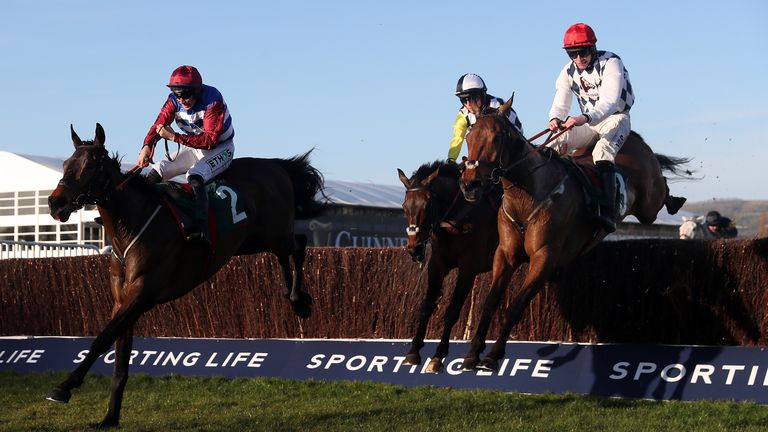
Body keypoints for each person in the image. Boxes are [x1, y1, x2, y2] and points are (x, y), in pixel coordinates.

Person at [545, 23, 634, 233]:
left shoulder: (612, 62)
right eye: (572, 54)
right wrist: (555, 118)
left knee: (601, 153)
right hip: (588, 122)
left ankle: (608, 211)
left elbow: (611, 101)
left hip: (615, 118)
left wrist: (584, 117)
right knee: (553, 144)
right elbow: (561, 102)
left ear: (592, 48)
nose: (578, 58)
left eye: (582, 52)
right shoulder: (567, 72)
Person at [137, 65, 235, 245]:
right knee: (159, 169)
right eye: (177, 94)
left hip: (221, 148)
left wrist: (173, 137)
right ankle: (137, 217)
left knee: (195, 176)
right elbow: (158, 125)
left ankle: (202, 228)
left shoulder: (213, 100)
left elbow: (210, 141)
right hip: (193, 145)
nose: (181, 99)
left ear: (197, 91)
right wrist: (147, 145)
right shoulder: (173, 100)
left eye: (186, 94)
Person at [448, 73, 524, 164]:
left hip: (510, 152)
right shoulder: (463, 115)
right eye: (463, 100)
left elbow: (519, 130)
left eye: (472, 98)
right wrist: (451, 160)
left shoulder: (497, 105)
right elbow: (457, 138)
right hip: (482, 157)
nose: (468, 104)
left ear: (482, 95)